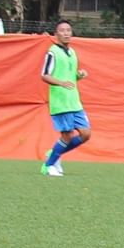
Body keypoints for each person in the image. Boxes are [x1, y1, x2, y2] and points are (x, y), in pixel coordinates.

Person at [39, 20, 90, 177]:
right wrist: (60, 83)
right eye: (62, 30)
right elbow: (44, 75)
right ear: (56, 34)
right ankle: (48, 166)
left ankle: (54, 153)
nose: (66, 33)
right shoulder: (52, 52)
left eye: (68, 30)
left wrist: (78, 76)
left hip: (74, 101)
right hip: (61, 102)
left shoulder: (72, 52)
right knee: (67, 135)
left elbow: (69, 78)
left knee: (86, 134)